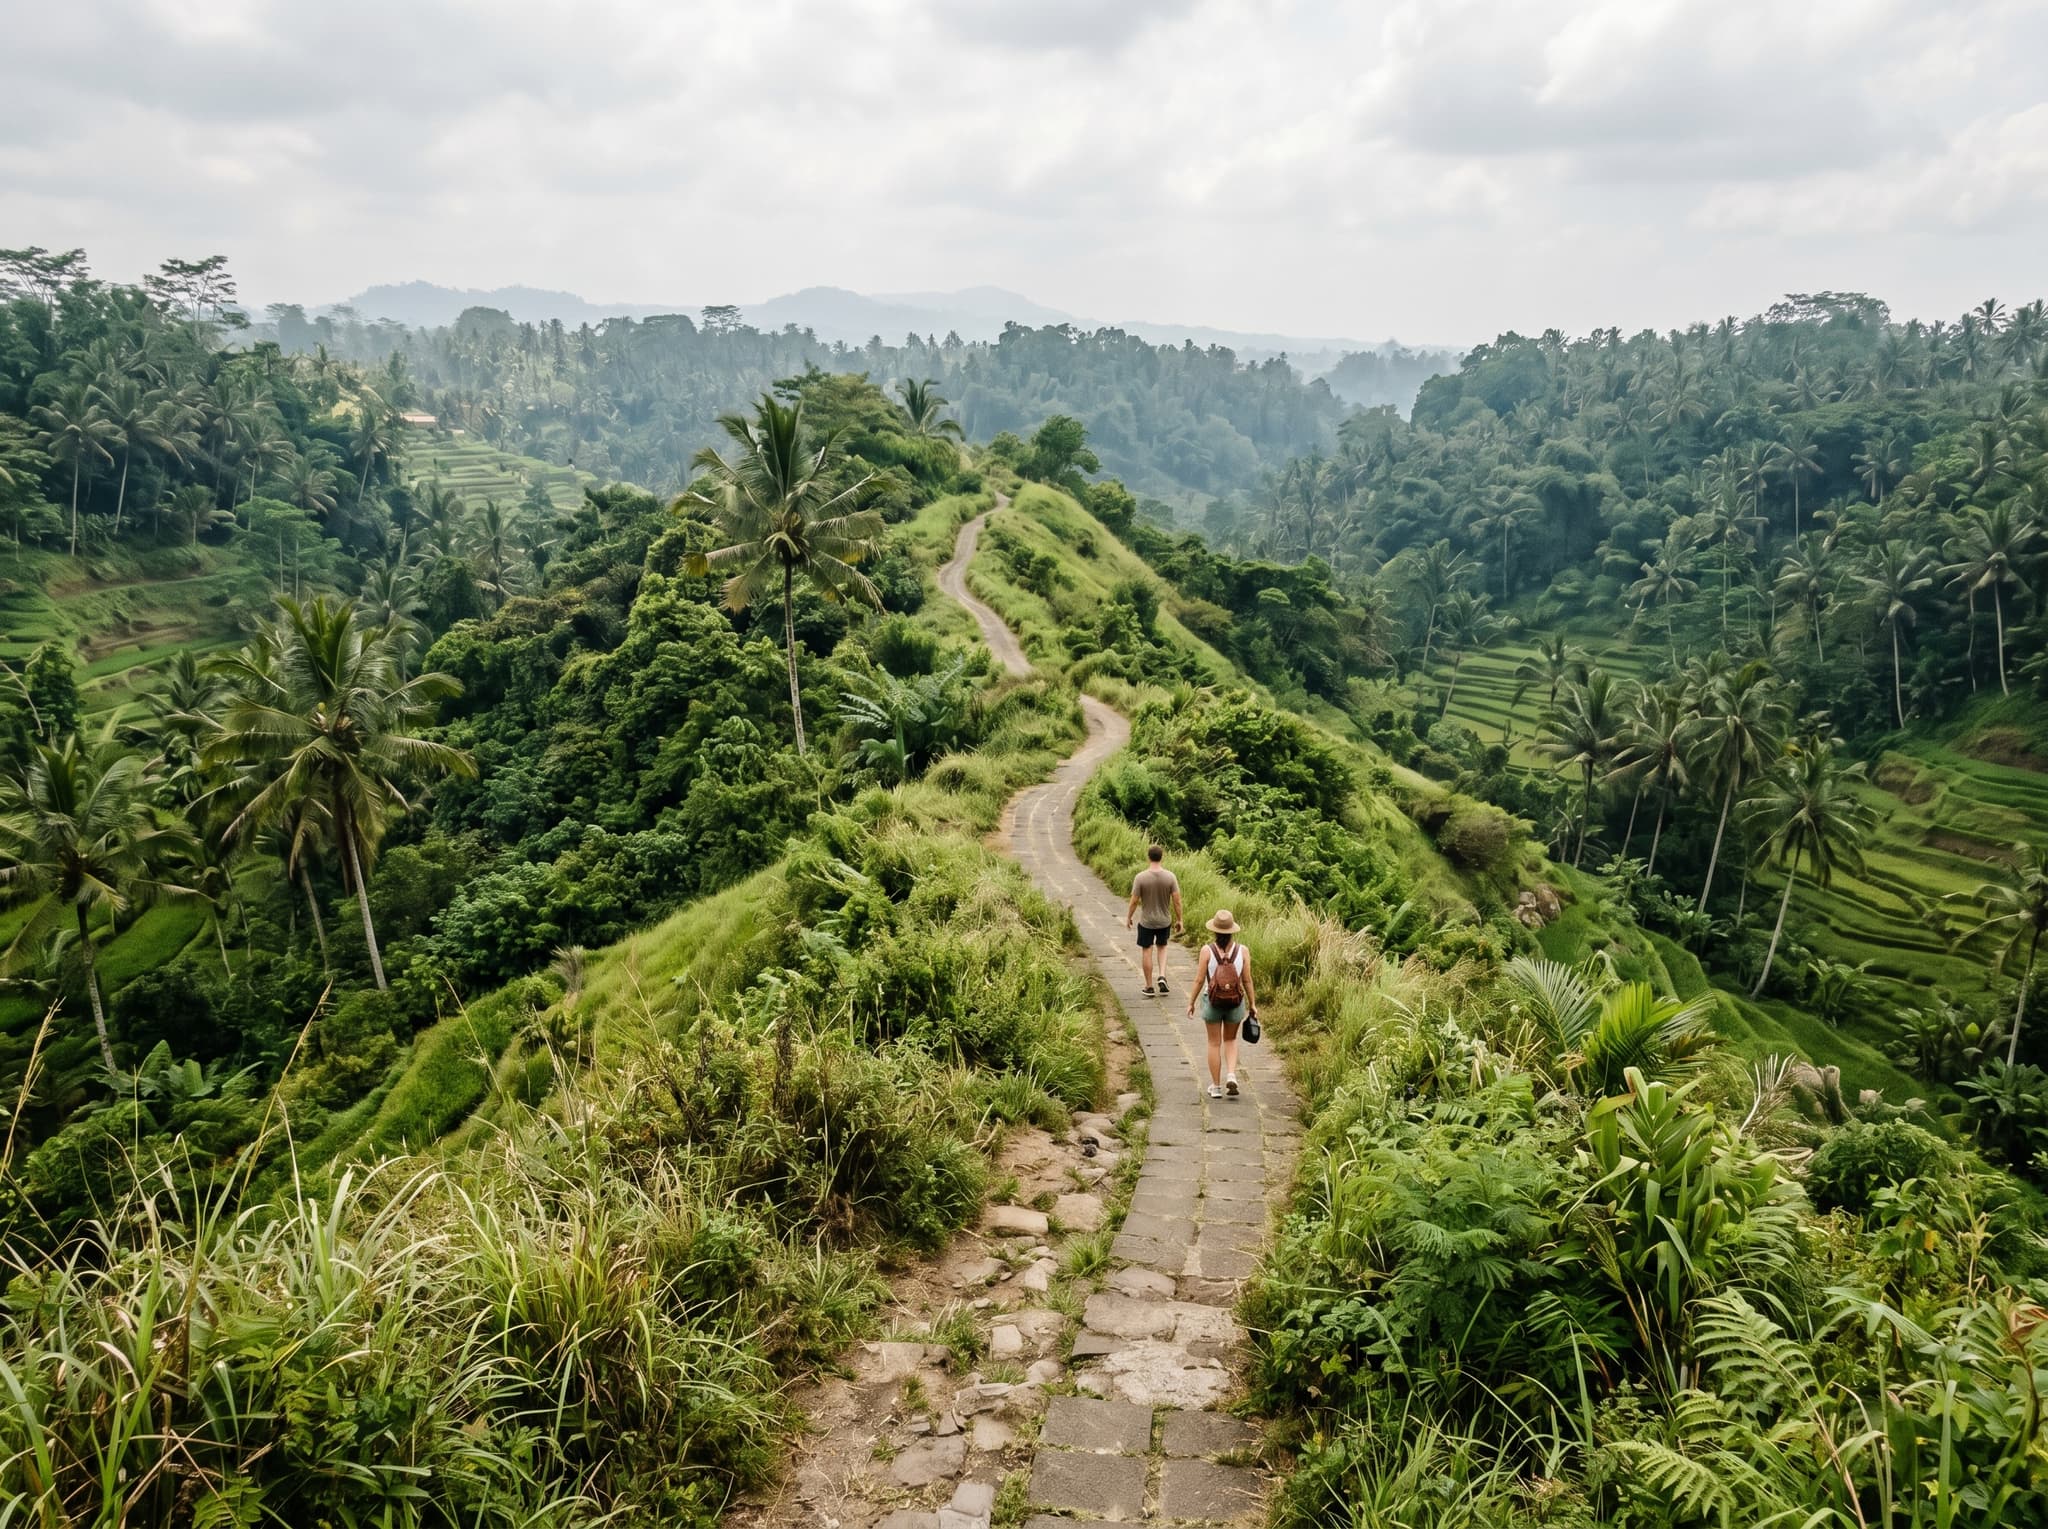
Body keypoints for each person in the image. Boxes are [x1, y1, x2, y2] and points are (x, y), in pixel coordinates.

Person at [1187, 910, 1255, 1099]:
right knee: (1231, 1040)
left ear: (1214, 931)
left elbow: (1199, 980)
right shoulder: (1243, 951)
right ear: (1232, 931)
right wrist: (1253, 1004)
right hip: (1235, 1002)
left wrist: (1191, 1002)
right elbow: (1247, 980)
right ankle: (1231, 1074)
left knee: (1214, 1043)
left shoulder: (1206, 951)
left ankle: (1216, 1087)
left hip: (1213, 1002)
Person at [1125, 844, 1182, 997]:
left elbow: (1134, 901)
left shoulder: (1140, 877)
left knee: (1147, 950)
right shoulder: (1170, 877)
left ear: (1148, 857)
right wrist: (1180, 919)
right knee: (1162, 947)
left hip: (1147, 922)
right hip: (1164, 920)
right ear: (1161, 857)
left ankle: (1149, 986)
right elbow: (1177, 901)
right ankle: (1162, 976)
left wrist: (1129, 916)